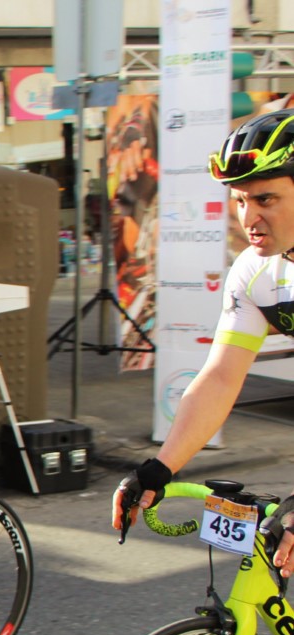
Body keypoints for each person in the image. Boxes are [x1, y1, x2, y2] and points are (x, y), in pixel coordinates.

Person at [115, 108, 294, 575]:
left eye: (265, 199)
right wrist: (159, 468)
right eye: (239, 201)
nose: (248, 217)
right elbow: (220, 378)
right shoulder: (256, 271)